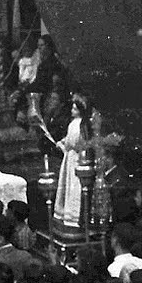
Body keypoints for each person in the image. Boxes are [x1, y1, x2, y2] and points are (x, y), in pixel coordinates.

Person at [51, 94, 93, 230]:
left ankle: (72, 215)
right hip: (79, 157)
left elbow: (71, 143)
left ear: (80, 110)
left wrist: (61, 145)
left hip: (73, 158)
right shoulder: (83, 125)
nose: (71, 111)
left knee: (72, 185)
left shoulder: (75, 124)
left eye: (74, 109)